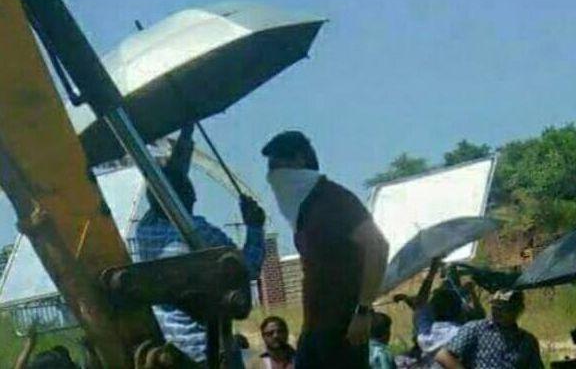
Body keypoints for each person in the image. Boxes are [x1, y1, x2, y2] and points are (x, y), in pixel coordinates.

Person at [133, 125, 266, 367]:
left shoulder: (146, 230)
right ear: (189, 199)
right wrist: (255, 227)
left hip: (175, 349)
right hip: (212, 351)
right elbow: (248, 267)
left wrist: (186, 135)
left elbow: (170, 184)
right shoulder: (198, 233)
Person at [262, 131, 389, 369]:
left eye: (277, 167)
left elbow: (378, 247)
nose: (272, 176)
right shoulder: (303, 211)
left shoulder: (334, 199)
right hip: (315, 327)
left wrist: (363, 311)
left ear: (299, 160)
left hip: (344, 327)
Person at [434, 290, 543, 369]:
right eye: (494, 307)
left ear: (518, 310)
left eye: (503, 308)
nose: (497, 312)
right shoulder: (475, 329)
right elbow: (443, 355)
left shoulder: (527, 340)